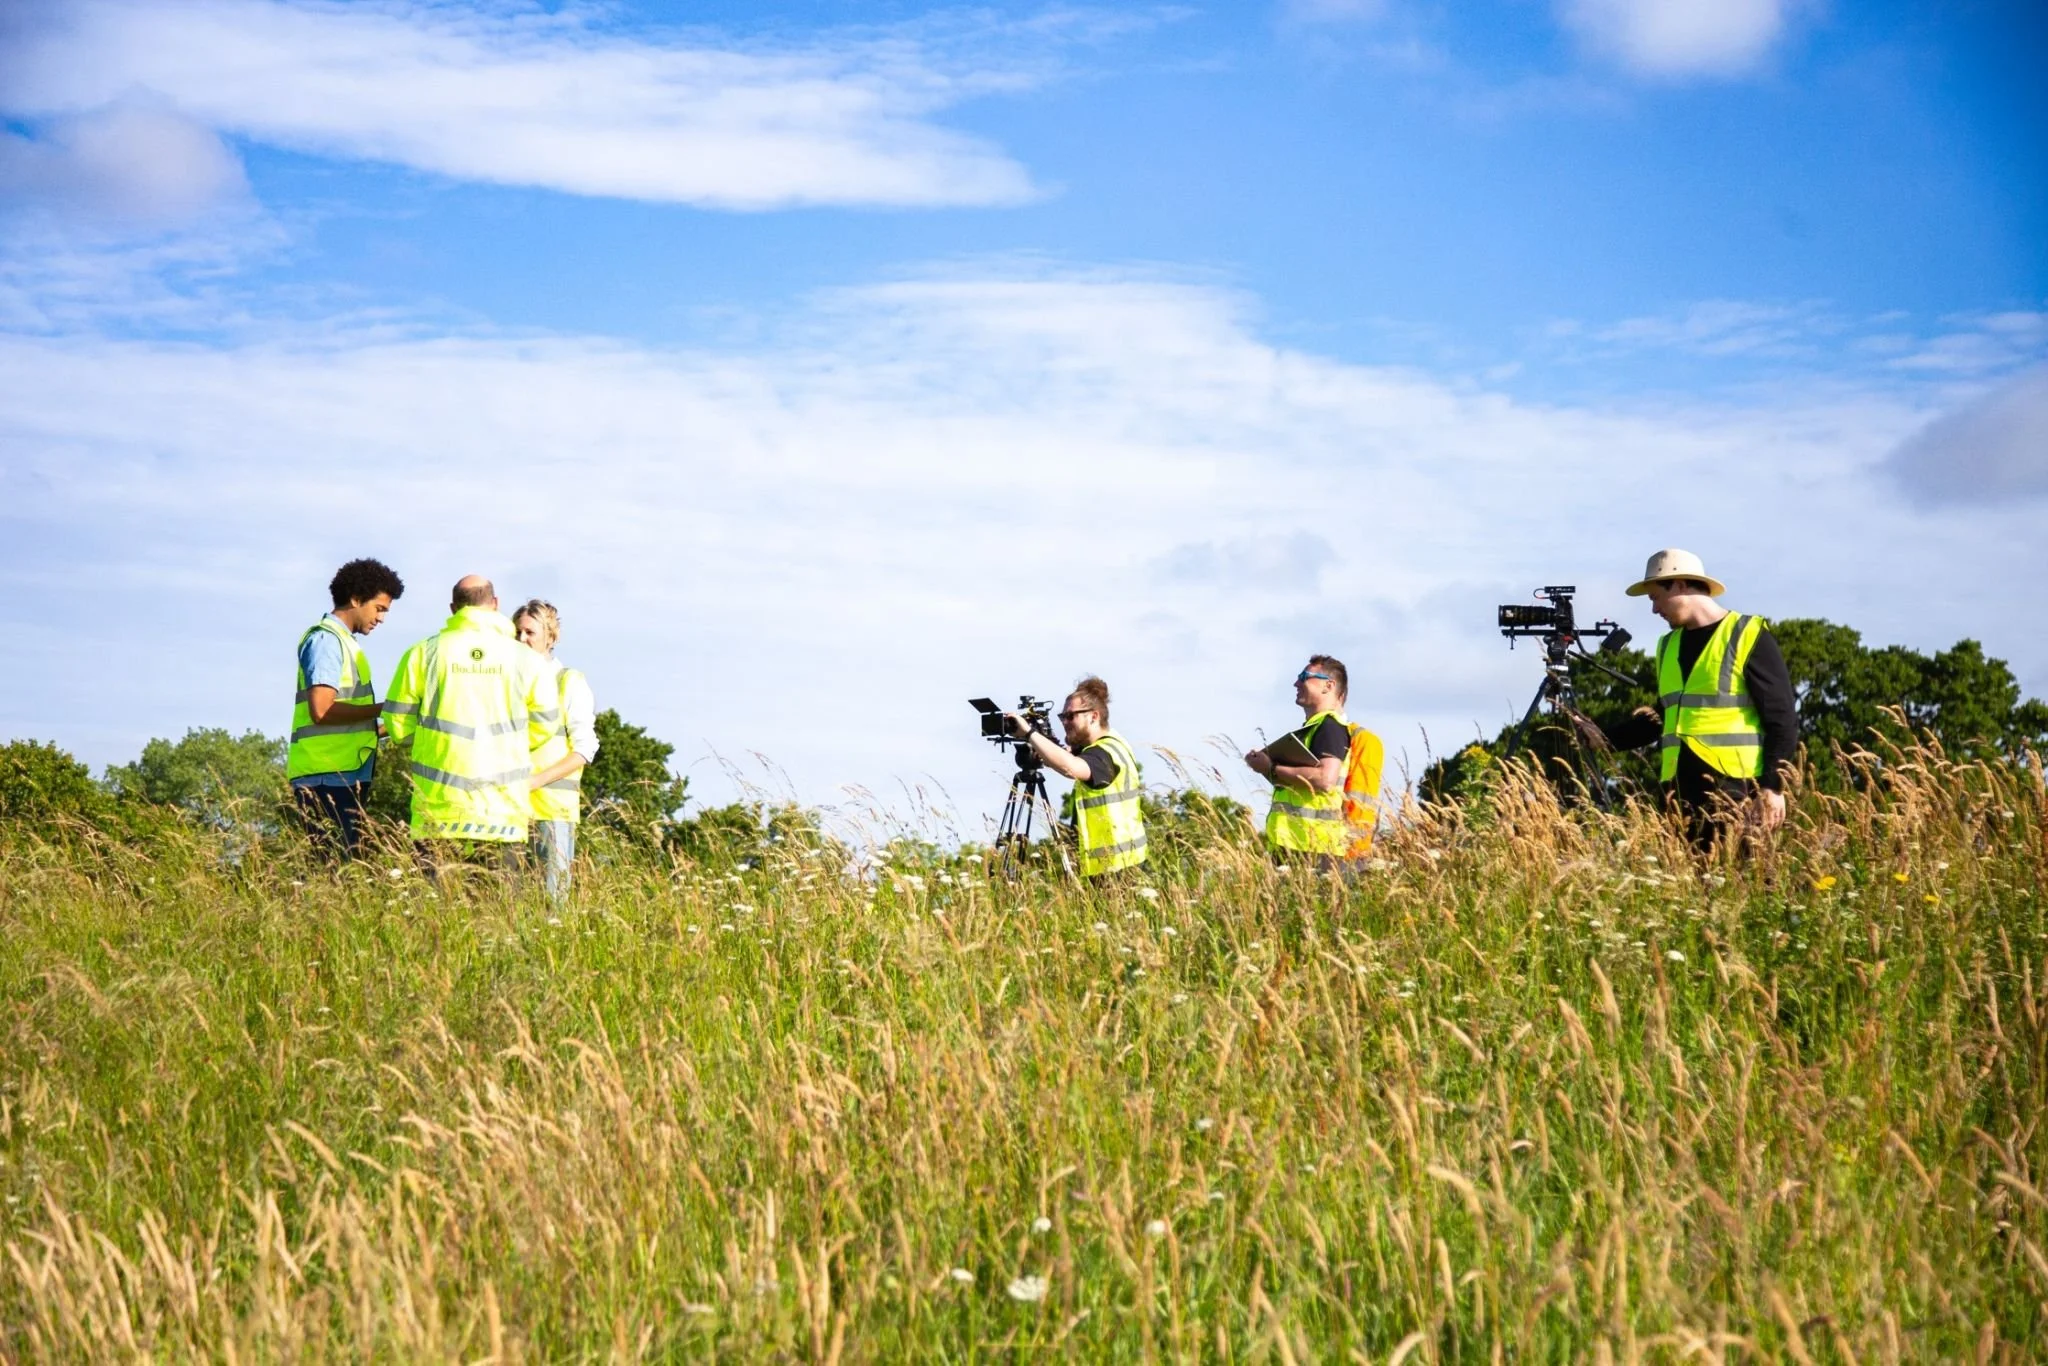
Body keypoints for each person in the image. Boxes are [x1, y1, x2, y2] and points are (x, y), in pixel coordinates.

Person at [1599, 549, 1799, 851]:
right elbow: (1664, 716)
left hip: (1738, 791)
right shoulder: (1667, 646)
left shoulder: (1747, 634)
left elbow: (1782, 718)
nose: (1654, 610)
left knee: (1745, 890)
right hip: (1678, 794)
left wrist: (1772, 786)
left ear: (1679, 585)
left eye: (1655, 597)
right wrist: (1603, 738)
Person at [382, 575, 556, 881]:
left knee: (436, 920)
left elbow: (397, 725)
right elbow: (545, 726)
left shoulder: (423, 654)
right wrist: (509, 744)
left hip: (437, 814)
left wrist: (432, 744)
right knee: (499, 919)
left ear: (453, 609)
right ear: (495, 604)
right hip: (502, 814)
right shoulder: (527, 660)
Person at [287, 557, 404, 859]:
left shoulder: (345, 643)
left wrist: (394, 724)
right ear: (355, 599)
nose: (381, 618)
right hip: (326, 778)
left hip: (340, 775)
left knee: (345, 871)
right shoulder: (327, 640)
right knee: (334, 872)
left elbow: (348, 725)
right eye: (379, 608)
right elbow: (322, 711)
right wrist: (383, 707)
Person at [1006, 677, 1148, 881]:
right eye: (1063, 716)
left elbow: (1071, 768)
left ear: (1093, 716)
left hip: (1116, 870)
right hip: (1117, 863)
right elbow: (1072, 758)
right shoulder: (1114, 742)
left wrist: (1030, 734)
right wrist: (1048, 749)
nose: (1064, 722)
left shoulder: (1104, 754)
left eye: (1071, 716)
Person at [512, 600, 599, 902]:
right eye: (517, 632)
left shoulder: (568, 682)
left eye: (529, 632)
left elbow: (585, 750)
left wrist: (533, 782)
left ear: (550, 638)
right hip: (509, 810)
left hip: (551, 810)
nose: (521, 639)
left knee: (550, 906)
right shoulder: (508, 685)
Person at [1245, 656, 1355, 870]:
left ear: (1328, 686)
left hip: (1313, 848)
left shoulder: (1329, 726)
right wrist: (1266, 768)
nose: (1296, 683)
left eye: (1304, 677)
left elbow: (1325, 779)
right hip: (1296, 845)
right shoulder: (1314, 727)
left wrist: (1271, 768)